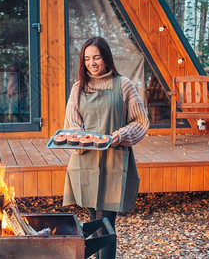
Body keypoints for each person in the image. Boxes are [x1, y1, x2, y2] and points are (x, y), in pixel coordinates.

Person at [63, 36, 149, 259]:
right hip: (86, 160)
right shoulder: (78, 88)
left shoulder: (123, 85)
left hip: (114, 160)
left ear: (106, 58)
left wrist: (121, 135)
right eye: (87, 59)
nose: (92, 63)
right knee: (94, 221)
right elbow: (72, 124)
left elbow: (141, 121)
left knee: (106, 222)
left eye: (96, 57)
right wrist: (81, 139)